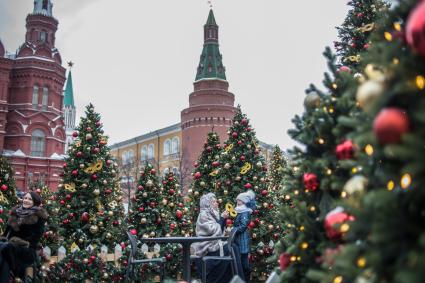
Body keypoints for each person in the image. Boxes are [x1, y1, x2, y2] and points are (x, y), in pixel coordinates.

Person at [0, 191, 48, 282]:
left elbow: (35, 239)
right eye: (25, 198)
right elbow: (6, 233)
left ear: (35, 202)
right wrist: (4, 239)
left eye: (30, 199)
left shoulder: (39, 216)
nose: (26, 200)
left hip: (27, 248)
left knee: (6, 247)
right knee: (4, 251)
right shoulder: (15, 213)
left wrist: (15, 242)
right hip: (10, 246)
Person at [191, 192, 233, 283]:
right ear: (208, 204)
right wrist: (222, 219)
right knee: (229, 249)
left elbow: (219, 231)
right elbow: (212, 230)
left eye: (216, 201)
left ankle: (227, 279)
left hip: (214, 242)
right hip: (206, 245)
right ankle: (219, 280)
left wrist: (223, 219)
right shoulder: (204, 214)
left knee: (233, 248)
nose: (217, 203)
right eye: (214, 202)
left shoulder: (213, 213)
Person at [232, 190, 256, 283]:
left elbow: (242, 227)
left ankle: (246, 279)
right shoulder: (239, 211)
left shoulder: (245, 212)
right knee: (241, 262)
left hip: (243, 241)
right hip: (238, 240)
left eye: (240, 201)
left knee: (244, 263)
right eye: (237, 200)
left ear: (244, 202)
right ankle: (243, 279)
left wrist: (232, 230)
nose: (238, 202)